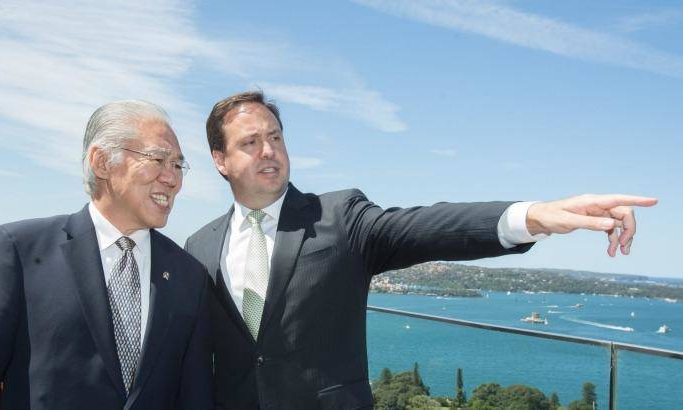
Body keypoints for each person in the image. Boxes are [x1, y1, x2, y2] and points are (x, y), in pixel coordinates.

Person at [184, 91, 657, 409]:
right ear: (220, 160)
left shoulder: (340, 218)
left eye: (275, 137)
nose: (269, 150)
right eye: (250, 142)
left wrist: (534, 216)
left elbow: (428, 226)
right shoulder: (200, 246)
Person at [0, 101, 213, 409]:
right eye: (158, 159)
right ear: (102, 162)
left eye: (178, 165)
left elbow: (196, 397)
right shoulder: (18, 252)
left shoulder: (190, 276)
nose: (173, 179)